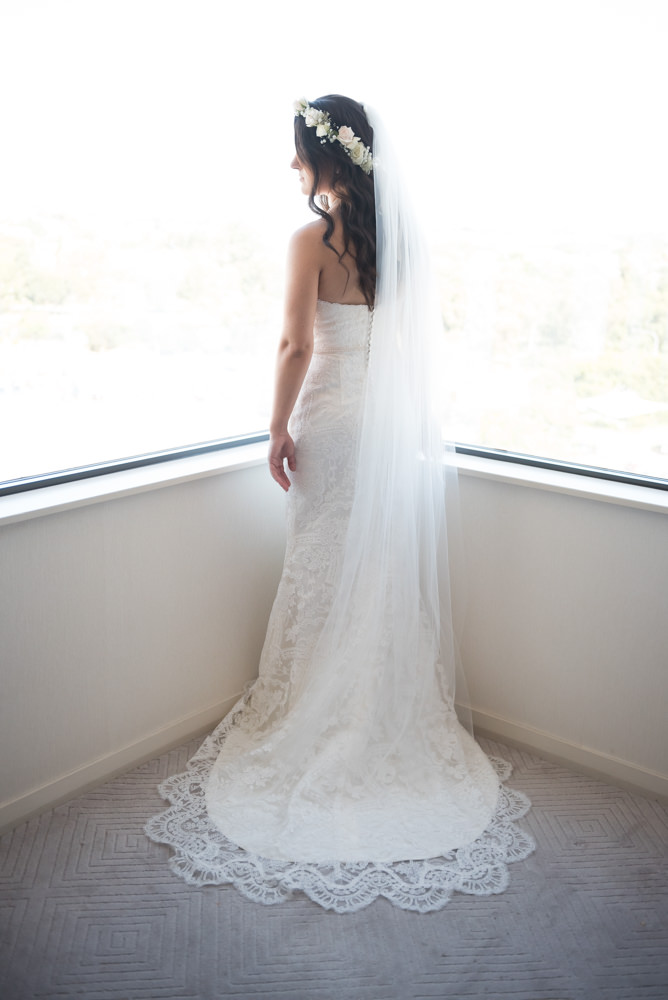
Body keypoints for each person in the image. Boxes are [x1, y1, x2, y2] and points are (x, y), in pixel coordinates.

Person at [146, 96, 534, 913]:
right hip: (385, 422)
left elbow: (295, 343)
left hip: (331, 418)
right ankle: (379, 708)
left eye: (298, 155)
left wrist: (275, 428)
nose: (292, 169)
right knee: (377, 564)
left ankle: (319, 709)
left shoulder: (308, 242)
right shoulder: (399, 243)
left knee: (321, 557)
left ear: (330, 159)